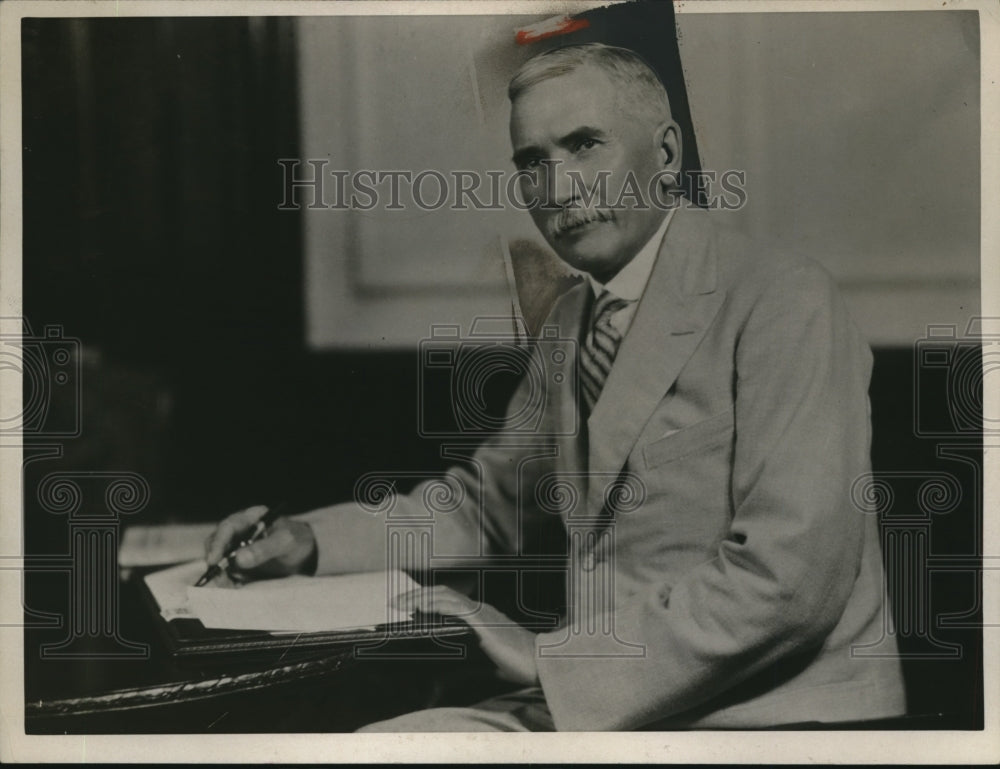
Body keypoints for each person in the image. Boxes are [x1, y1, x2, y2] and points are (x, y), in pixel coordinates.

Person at [205, 43, 906, 731]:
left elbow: (790, 581)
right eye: (531, 162)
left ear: (665, 155)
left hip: (766, 721)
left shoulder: (783, 298)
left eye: (584, 146)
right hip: (614, 708)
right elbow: (484, 506)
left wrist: (549, 658)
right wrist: (308, 541)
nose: (557, 188)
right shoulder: (575, 319)